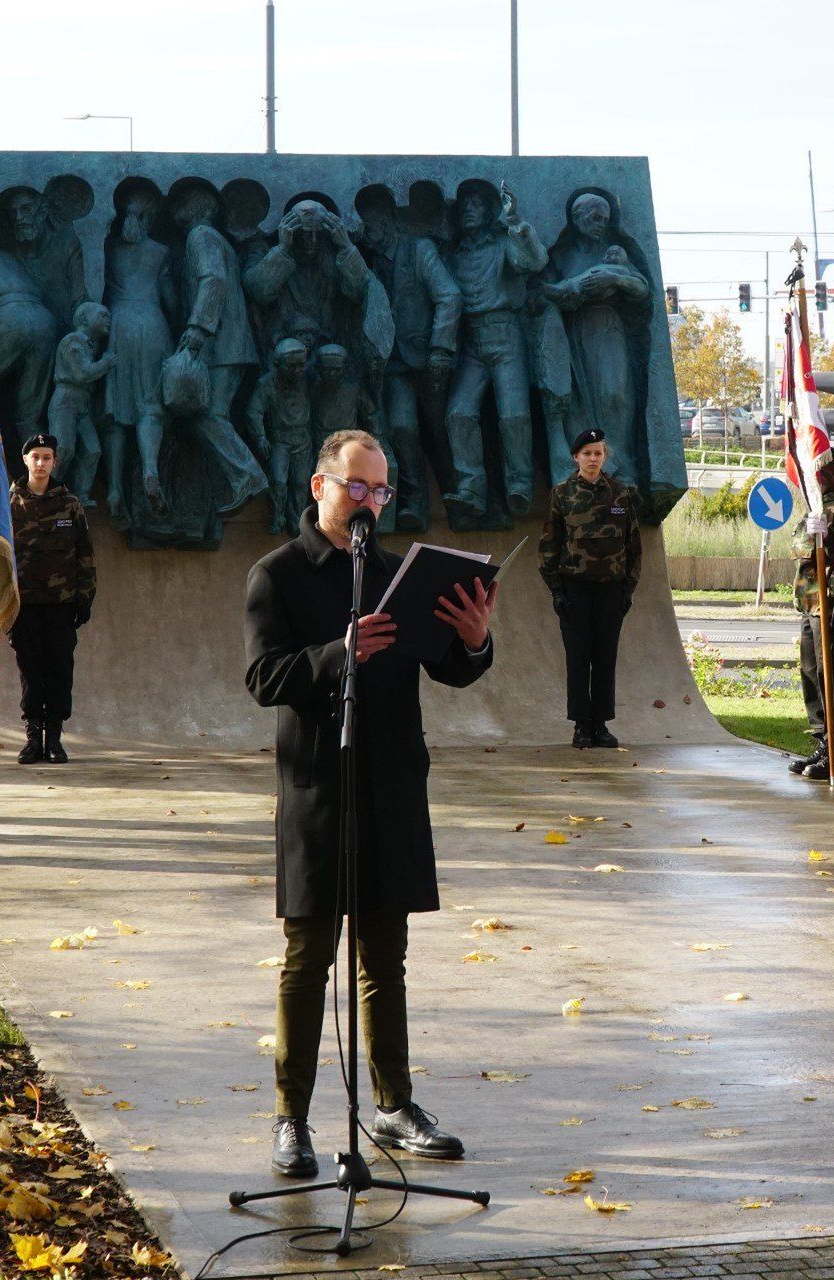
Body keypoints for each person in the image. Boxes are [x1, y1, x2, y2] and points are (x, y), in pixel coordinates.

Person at [243, 428, 498, 1178]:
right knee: (308, 958)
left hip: (391, 786)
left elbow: (453, 668)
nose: (369, 504)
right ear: (319, 485)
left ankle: (393, 1105)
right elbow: (263, 678)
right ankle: (292, 1120)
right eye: (357, 487)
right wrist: (337, 653)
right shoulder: (277, 574)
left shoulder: (398, 574)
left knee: (385, 957)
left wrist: (476, 642)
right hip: (319, 788)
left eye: (380, 491)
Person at [540, 428, 642, 748]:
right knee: (578, 657)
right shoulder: (562, 494)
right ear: (576, 457)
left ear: (604, 457)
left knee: (605, 656)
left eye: (598, 453)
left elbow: (633, 546)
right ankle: (581, 725)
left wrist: (628, 590)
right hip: (575, 589)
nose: (593, 459)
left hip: (611, 589)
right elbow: (549, 547)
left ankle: (601, 724)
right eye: (587, 453)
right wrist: (556, 590)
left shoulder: (621, 494)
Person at [9, 433, 97, 765]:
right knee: (30, 672)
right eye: (36, 457)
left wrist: (83, 599)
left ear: (55, 462)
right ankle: (33, 739)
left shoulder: (69, 504)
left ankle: (55, 740)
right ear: (26, 460)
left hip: (61, 605)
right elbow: (1, 561)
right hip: (25, 607)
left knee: (59, 670)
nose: (41, 463)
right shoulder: (11, 504)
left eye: (47, 457)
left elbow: (84, 555)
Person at [789, 454, 834, 781]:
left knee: (828, 675)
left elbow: (806, 548)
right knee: (811, 673)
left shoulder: (833, 505)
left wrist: (810, 535)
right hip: (810, 600)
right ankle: (822, 741)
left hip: (827, 600)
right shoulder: (818, 505)